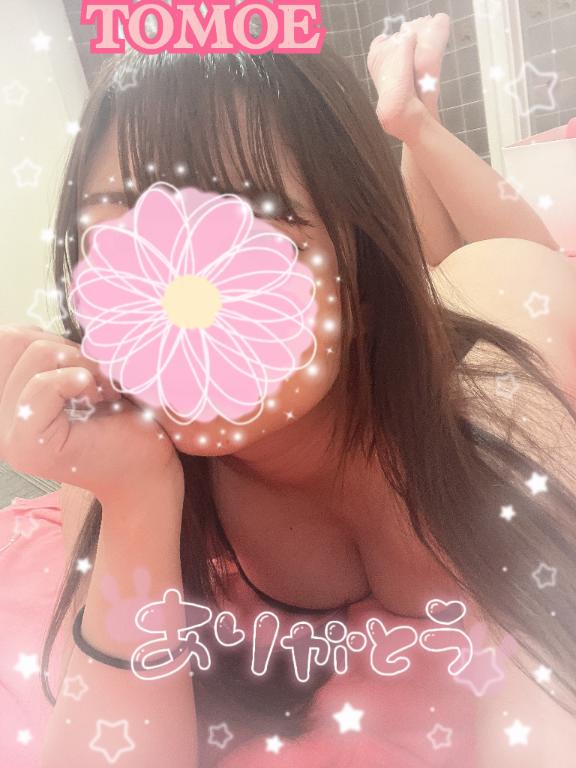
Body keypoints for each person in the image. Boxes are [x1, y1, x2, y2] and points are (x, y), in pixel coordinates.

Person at [1, 13, 575, 768]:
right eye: (129, 234)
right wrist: (138, 496)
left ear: (361, 284)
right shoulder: (113, 450)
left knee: (508, 256)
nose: (183, 293)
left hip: (517, 294)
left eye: (256, 234)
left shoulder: (497, 418)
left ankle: (413, 119)